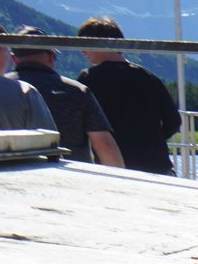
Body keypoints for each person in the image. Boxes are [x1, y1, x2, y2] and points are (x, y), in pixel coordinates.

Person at [77, 17, 181, 175]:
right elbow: (173, 122)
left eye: (85, 45)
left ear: (101, 44)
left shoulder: (88, 80)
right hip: (157, 167)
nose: (82, 51)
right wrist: (150, 140)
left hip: (113, 169)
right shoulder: (149, 78)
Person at [10, 28, 121, 167]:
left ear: (13, 59)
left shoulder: (1, 90)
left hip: (14, 177)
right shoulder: (77, 91)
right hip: (73, 180)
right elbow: (104, 145)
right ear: (51, 57)